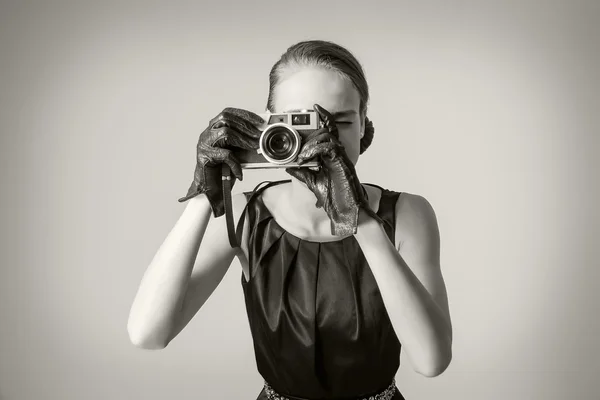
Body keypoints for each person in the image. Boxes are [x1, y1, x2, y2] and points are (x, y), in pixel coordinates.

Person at [127, 40, 453, 400]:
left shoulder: (407, 213)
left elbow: (431, 361)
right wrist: (205, 193)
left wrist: (361, 221)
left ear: (363, 127)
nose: (323, 139)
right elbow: (147, 334)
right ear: (269, 129)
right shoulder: (246, 217)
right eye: (301, 122)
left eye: (340, 122)